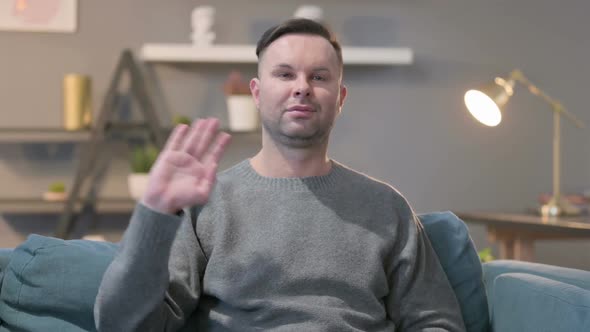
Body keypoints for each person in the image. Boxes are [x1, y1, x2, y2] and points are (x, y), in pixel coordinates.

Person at [94, 18, 465, 331]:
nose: (302, 87)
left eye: (319, 77)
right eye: (285, 74)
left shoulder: (387, 207)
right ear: (256, 93)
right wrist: (153, 211)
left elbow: (436, 321)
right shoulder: (205, 204)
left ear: (341, 97)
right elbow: (122, 324)